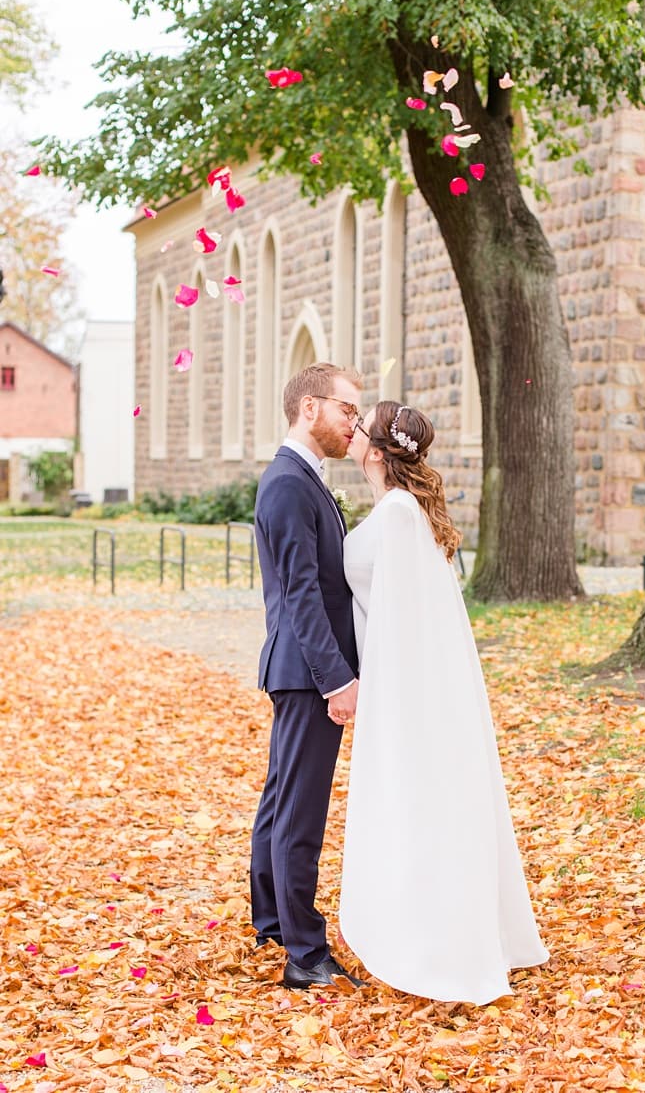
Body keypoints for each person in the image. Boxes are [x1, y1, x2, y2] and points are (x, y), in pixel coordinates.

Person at [338, 400, 548, 1003]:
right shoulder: (399, 509)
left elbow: (405, 617)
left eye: (361, 430)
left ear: (378, 452)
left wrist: (377, 691)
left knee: (420, 800)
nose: (351, 434)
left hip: (407, 684)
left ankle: (437, 941)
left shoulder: (400, 514)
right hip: (400, 676)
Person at [251, 362, 367, 989]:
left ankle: (271, 918)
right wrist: (337, 680)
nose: (355, 422)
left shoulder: (302, 479)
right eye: (348, 409)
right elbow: (301, 594)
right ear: (310, 409)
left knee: (280, 800)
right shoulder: (291, 484)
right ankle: (304, 953)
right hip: (306, 671)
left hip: (298, 668)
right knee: (300, 810)